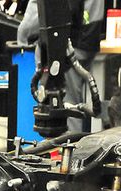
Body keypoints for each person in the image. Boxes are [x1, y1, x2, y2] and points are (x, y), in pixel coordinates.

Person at [17, 0, 104, 132]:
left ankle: (72, 144)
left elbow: (29, 27)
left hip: (64, 48)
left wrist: (23, 38)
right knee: (77, 107)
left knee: (65, 110)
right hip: (87, 41)